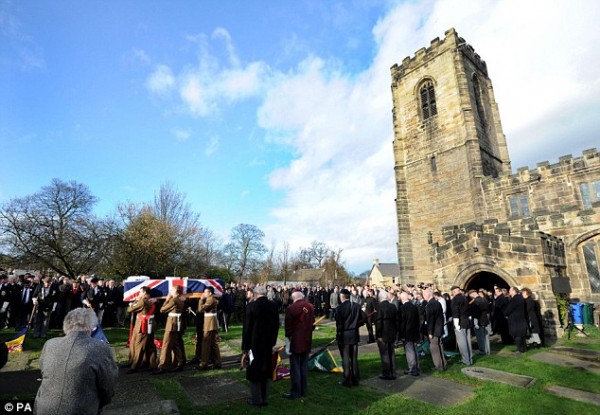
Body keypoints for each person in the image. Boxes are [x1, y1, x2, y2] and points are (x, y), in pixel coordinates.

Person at [34, 308, 118, 415]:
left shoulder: (49, 344)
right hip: (81, 410)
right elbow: (107, 387)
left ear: (66, 326)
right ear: (90, 328)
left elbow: (44, 371)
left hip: (43, 408)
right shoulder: (100, 348)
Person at [242, 286, 279, 407]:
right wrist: (273, 342)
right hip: (268, 343)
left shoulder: (251, 306)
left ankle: (256, 399)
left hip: (254, 344)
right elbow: (276, 325)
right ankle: (265, 398)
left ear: (255, 294)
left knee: (254, 371)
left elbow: (247, 328)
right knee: (266, 369)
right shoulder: (273, 305)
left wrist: (245, 347)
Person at [283, 290, 315, 399]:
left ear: (294, 298)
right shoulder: (310, 307)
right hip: (306, 340)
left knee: (295, 367)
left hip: (295, 341)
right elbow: (313, 325)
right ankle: (303, 390)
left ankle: (296, 392)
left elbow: (288, 328)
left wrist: (288, 340)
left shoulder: (291, 308)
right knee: (303, 366)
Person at [335, 288, 366, 387]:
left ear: (341, 297)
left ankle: (347, 379)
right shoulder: (356, 306)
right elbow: (364, 318)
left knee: (345, 358)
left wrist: (339, 334)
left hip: (344, 335)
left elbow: (339, 324)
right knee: (353, 358)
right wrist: (356, 325)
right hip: (354, 334)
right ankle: (355, 379)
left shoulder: (339, 308)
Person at [153, 285, 186, 374]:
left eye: (172, 290)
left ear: (176, 291)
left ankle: (162, 366)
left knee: (166, 345)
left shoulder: (174, 300)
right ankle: (180, 363)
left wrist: (167, 300)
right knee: (175, 344)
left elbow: (162, 310)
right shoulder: (181, 300)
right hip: (176, 323)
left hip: (171, 323)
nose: (170, 291)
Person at [127, 286, 158, 373]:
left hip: (143, 326)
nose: (139, 294)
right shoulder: (151, 300)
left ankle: (135, 366)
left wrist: (136, 300)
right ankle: (152, 364)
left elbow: (130, 309)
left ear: (144, 293)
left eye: (140, 292)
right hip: (149, 324)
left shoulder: (143, 301)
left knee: (139, 346)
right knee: (150, 345)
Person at [198, 286, 221, 370]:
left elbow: (200, 309)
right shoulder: (212, 299)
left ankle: (204, 364)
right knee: (213, 343)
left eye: (206, 292)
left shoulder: (210, 299)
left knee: (206, 343)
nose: (204, 293)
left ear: (210, 293)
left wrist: (201, 300)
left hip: (210, 323)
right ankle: (217, 362)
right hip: (211, 322)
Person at [375, 290, 397, 380]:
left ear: (380, 298)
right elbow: (396, 320)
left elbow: (379, 322)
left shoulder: (379, 307)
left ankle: (387, 373)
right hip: (391, 332)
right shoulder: (393, 306)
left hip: (383, 333)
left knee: (384, 354)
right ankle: (393, 372)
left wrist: (378, 335)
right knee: (391, 353)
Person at [424, 289, 447, 371]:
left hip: (434, 330)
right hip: (439, 328)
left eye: (424, 294)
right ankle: (443, 363)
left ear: (428, 295)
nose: (424, 296)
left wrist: (430, 332)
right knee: (440, 346)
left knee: (434, 348)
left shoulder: (430, 304)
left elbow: (431, 319)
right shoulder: (437, 303)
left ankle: (438, 365)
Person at [399, 291, 420, 376]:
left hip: (407, 332)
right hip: (415, 331)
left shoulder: (402, 308)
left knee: (409, 351)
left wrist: (401, 334)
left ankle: (412, 368)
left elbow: (402, 323)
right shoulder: (414, 307)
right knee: (415, 350)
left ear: (401, 299)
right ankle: (417, 367)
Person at [450, 286, 473, 365]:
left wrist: (456, 324)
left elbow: (455, 312)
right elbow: (469, 309)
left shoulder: (455, 299)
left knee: (462, 343)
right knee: (468, 342)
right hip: (467, 321)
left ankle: (466, 360)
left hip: (460, 323)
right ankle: (470, 359)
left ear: (453, 292)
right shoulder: (464, 298)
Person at [504, 287, 528, 353]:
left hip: (515, 319)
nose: (509, 292)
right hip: (520, 318)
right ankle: (523, 348)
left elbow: (509, 309)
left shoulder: (515, 299)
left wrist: (505, 314)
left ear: (514, 291)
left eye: (510, 290)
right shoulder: (520, 297)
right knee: (521, 335)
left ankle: (519, 349)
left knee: (517, 334)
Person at [468, 289, 491, 355]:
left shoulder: (475, 301)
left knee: (480, 337)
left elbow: (475, 312)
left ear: (472, 294)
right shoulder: (484, 299)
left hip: (478, 321)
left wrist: (474, 321)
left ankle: (482, 351)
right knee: (486, 337)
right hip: (485, 319)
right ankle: (488, 351)